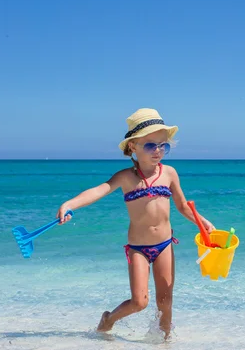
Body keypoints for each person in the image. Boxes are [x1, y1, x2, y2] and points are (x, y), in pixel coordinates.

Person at [55, 108, 216, 339]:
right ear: (133, 147)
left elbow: (182, 206)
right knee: (140, 302)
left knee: (165, 301)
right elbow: (100, 190)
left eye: (163, 145)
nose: (158, 151)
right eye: (151, 145)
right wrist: (70, 203)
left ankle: (163, 341)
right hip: (138, 248)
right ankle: (109, 318)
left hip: (164, 245)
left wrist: (203, 222)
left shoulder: (169, 173)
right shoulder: (126, 177)